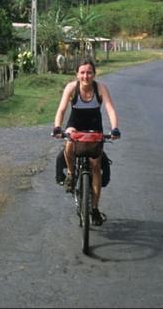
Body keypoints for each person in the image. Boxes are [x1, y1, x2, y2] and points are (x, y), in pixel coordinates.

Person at [52, 59, 121, 226]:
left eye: (89, 72)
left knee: (96, 166)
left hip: (94, 127)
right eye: (82, 72)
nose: (85, 76)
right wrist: (57, 127)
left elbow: (110, 108)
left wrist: (114, 128)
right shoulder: (71, 88)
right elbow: (61, 109)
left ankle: (95, 209)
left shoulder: (100, 88)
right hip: (74, 125)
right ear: (77, 74)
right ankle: (70, 173)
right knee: (68, 141)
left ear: (94, 74)